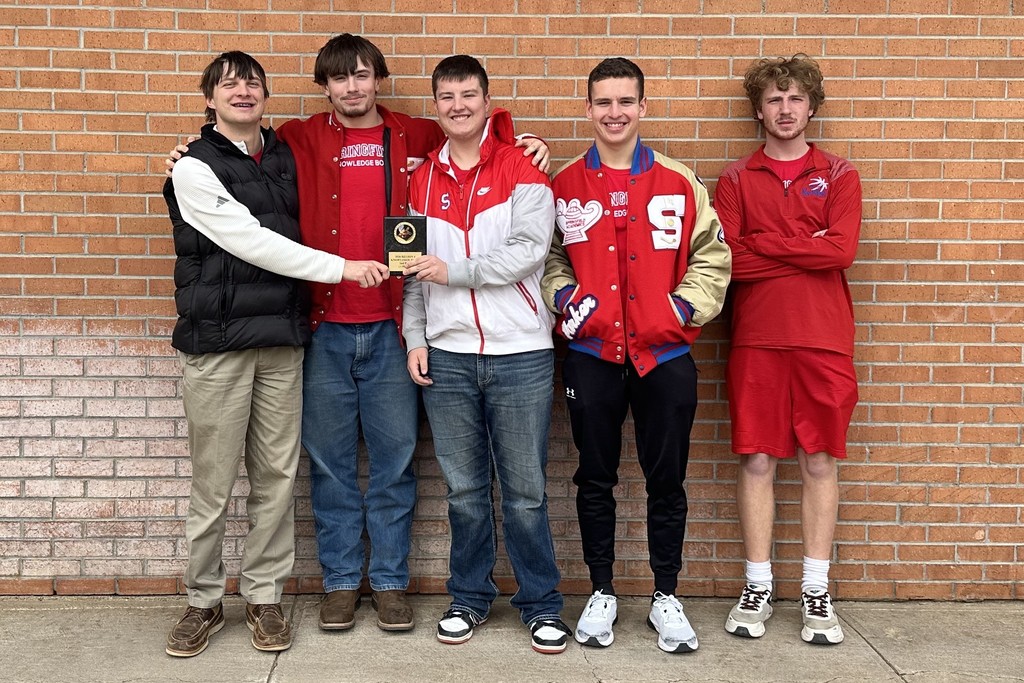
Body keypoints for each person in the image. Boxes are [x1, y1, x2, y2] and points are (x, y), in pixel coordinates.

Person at [164, 35, 548, 634]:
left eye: (363, 76)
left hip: (394, 327)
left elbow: (476, 135)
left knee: (395, 463)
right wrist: (190, 148)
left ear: (378, 81)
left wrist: (524, 141)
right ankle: (342, 583)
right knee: (330, 465)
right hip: (320, 329)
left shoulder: (415, 134)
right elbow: (236, 150)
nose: (353, 88)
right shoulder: (297, 138)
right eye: (340, 79)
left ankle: (391, 583)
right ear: (325, 87)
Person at [162, 51, 388, 658]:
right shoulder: (193, 168)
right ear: (208, 98)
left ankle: (264, 597)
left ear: (266, 95)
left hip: (283, 345)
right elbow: (253, 242)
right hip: (219, 347)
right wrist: (343, 269)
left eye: (253, 83)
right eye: (228, 85)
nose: (242, 92)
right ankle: (202, 601)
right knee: (213, 482)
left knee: (276, 480)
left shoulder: (286, 154)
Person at [541, 57, 731, 654]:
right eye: (603, 102)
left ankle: (665, 594)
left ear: (643, 107)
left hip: (664, 355)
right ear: (588, 108)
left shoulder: (679, 182)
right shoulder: (564, 185)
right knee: (594, 477)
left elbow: (713, 257)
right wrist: (567, 297)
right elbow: (546, 259)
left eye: (626, 102)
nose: (615, 113)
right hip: (593, 354)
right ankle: (601, 591)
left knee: (665, 480)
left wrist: (680, 311)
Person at [402, 55, 571, 655]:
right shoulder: (418, 180)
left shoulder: (523, 167)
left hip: (521, 352)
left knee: (525, 490)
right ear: (437, 104)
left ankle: (541, 603)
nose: (457, 106)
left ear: (486, 98)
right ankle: (469, 597)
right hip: (447, 357)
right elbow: (412, 274)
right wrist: (415, 337)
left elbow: (529, 251)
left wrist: (459, 271)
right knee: (465, 491)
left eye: (468, 94)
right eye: (445, 96)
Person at [714, 53, 861, 646]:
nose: (785, 108)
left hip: (824, 338)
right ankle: (757, 585)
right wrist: (805, 241)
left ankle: (815, 589)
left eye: (795, 98)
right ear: (759, 109)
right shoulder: (733, 180)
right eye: (774, 99)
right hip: (756, 339)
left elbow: (842, 251)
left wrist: (765, 244)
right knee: (756, 459)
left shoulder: (840, 174)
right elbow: (730, 262)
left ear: (810, 106)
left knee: (820, 460)